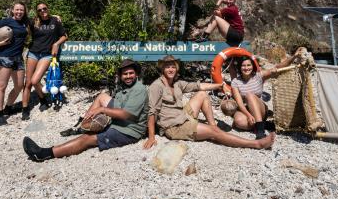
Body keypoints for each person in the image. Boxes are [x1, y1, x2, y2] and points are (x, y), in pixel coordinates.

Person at [23, 59, 148, 162]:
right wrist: (100, 111)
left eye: (131, 73)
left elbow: (126, 114)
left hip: (128, 131)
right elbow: (118, 106)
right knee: (102, 96)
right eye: (125, 74)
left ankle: (44, 153)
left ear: (136, 74)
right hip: (119, 122)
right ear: (121, 76)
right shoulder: (124, 87)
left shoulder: (139, 90)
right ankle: (84, 125)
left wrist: (102, 110)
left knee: (87, 139)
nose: (128, 76)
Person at [143, 55, 275, 150]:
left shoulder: (177, 83)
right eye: (167, 67)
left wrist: (220, 85)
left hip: (183, 115)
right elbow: (152, 112)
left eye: (173, 67)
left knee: (202, 94)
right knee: (213, 133)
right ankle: (256, 144)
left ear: (176, 68)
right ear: (162, 69)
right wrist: (151, 137)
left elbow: (199, 86)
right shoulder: (157, 86)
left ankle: (213, 126)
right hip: (174, 125)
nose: (171, 69)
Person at [230, 48, 302, 139]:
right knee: (238, 122)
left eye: (249, 65)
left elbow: (279, 67)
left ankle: (260, 130)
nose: (246, 68)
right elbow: (240, 103)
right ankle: (265, 124)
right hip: (246, 110)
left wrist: (294, 57)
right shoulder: (236, 82)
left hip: (261, 109)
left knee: (249, 95)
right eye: (243, 66)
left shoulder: (259, 76)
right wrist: (248, 115)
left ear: (253, 66)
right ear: (240, 67)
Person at [0, 2, 30, 126]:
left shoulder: (25, 23)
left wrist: (56, 17)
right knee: (1, 86)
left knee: (19, 86)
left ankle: (8, 107)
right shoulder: (5, 21)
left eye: (21, 10)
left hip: (18, 58)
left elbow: (40, 20)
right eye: (17, 10)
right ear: (13, 10)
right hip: (5, 57)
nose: (19, 12)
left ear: (24, 11)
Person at [21, 2, 68, 120]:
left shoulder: (55, 21)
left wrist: (56, 44)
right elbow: (21, 18)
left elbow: (65, 36)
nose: (42, 11)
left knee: (35, 80)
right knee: (28, 83)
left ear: (48, 8)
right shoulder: (34, 22)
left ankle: (43, 98)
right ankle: (26, 108)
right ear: (37, 12)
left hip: (46, 55)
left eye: (44, 8)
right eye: (40, 10)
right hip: (33, 53)